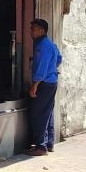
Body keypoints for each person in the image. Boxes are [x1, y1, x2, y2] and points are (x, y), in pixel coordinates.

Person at [27, 18, 62, 156]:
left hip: (44, 84)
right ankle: (49, 143)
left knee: (39, 113)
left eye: (34, 29)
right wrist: (52, 69)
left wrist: (35, 84)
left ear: (42, 31)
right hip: (51, 81)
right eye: (31, 29)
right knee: (48, 113)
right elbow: (59, 58)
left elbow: (42, 67)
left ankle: (41, 146)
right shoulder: (49, 44)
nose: (31, 32)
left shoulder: (43, 46)